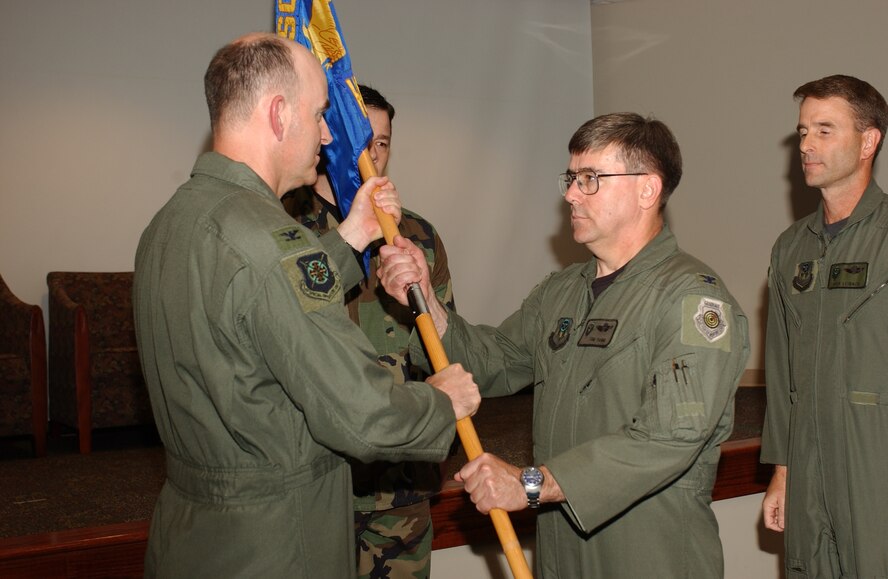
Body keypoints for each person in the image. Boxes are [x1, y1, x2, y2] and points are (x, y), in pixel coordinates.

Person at [133, 32, 480, 578]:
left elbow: (255, 304)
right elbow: (362, 416)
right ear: (277, 114)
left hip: (192, 532)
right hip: (276, 541)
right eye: (320, 114)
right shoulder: (270, 240)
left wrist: (350, 239)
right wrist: (441, 401)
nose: (327, 134)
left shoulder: (170, 224)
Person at [378, 112, 750, 578]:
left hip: (648, 552)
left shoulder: (692, 299)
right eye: (571, 178)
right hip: (562, 546)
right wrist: (427, 302)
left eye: (591, 179)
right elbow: (493, 362)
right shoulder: (562, 291)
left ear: (647, 189)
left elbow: (668, 438)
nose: (571, 194)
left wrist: (532, 484)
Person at [283, 85, 453, 579]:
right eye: (361, 142)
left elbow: (445, 346)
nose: (371, 156)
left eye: (381, 143)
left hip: (400, 476)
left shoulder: (417, 235)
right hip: (320, 473)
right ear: (325, 137)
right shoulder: (286, 229)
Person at [760, 74, 888, 578]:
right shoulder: (791, 248)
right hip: (808, 471)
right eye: (803, 131)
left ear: (868, 141)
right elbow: (780, 369)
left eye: (825, 130)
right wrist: (783, 472)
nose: (806, 145)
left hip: (875, 464)